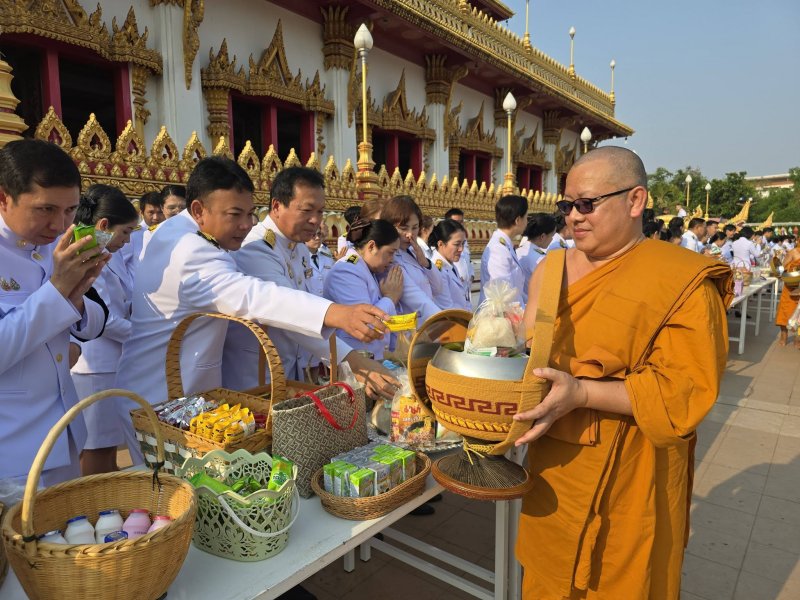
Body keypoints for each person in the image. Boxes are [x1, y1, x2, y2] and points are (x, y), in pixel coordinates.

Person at [513, 146, 732, 599]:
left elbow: (683, 392)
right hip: (556, 467)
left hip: (634, 472)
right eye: (567, 205)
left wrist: (581, 393)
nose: (574, 216)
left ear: (635, 201)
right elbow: (526, 350)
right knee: (547, 577)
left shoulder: (681, 281)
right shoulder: (550, 269)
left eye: (587, 204)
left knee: (624, 580)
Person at [115, 157, 389, 465]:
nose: (247, 225)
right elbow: (253, 295)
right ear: (198, 210)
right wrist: (336, 314)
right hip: (161, 399)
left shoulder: (182, 231)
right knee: (168, 489)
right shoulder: (191, 249)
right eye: (235, 214)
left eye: (249, 213)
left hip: (180, 394)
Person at [222, 166, 398, 398]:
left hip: (290, 371)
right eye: (306, 210)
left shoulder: (299, 248)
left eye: (321, 211)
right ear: (277, 206)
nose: (316, 220)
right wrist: (353, 360)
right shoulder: (256, 247)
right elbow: (289, 310)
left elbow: (311, 306)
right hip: (255, 378)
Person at [0, 139, 110, 485]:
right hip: (12, 444)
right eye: (45, 209)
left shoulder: (56, 246)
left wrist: (76, 299)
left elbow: (96, 319)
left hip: (64, 431)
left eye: (70, 210)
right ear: (4, 198)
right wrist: (59, 290)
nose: (60, 224)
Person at [70, 184, 139, 475]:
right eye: (125, 232)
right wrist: (141, 335)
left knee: (109, 443)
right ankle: (96, 499)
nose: (127, 240)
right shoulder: (86, 256)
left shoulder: (108, 252)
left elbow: (122, 302)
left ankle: (108, 495)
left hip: (111, 361)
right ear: (103, 226)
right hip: (95, 365)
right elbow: (105, 319)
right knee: (96, 445)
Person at [324, 219, 404, 360]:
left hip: (372, 356)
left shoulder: (366, 268)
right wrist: (390, 298)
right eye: (390, 253)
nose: (392, 259)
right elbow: (364, 324)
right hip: (354, 360)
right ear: (371, 246)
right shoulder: (346, 270)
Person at [381, 195, 448, 321]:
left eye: (415, 227)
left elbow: (438, 288)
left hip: (426, 324)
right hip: (411, 327)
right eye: (403, 228)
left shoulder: (414, 251)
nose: (410, 234)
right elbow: (417, 299)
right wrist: (443, 320)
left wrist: (426, 263)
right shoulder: (390, 259)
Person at [480, 194, 528, 305]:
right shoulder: (498, 250)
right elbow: (504, 294)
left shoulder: (505, 245)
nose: (527, 222)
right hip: (500, 313)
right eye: (526, 217)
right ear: (518, 220)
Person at [429, 219, 471, 310]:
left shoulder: (450, 265)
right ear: (440, 244)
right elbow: (447, 308)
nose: (461, 249)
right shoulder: (437, 269)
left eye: (463, 244)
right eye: (457, 244)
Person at [122, 190, 163, 272]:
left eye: (160, 212)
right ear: (142, 213)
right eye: (151, 212)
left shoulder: (167, 232)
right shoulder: (132, 235)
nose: (156, 217)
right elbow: (120, 265)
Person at [518, 213, 557, 279]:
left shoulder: (518, 251)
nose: (552, 239)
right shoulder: (540, 259)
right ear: (542, 237)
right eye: (551, 236)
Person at [776, 246, 800, 347]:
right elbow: (781, 269)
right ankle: (783, 334)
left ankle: (798, 338)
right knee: (785, 311)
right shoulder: (793, 252)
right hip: (791, 286)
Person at [444, 207, 474, 285]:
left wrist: (471, 274)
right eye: (456, 222)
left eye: (461, 222)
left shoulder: (464, 241)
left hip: (466, 286)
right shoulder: (444, 242)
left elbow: (468, 259)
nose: (460, 225)